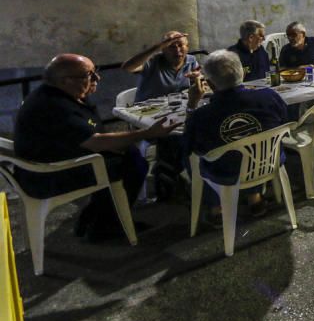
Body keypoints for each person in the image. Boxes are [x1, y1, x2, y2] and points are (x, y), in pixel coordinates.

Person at [14, 54, 177, 241]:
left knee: (130, 154)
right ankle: (105, 227)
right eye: (89, 75)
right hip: (46, 174)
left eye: (95, 72)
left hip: (60, 156)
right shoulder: (54, 106)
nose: (97, 79)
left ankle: (99, 218)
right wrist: (147, 133)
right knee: (131, 164)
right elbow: (96, 141)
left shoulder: (66, 94)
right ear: (66, 80)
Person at [183, 50, 288, 226]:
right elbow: (285, 122)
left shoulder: (202, 115)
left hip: (228, 173)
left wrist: (191, 106)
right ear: (243, 73)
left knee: (192, 158)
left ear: (209, 84)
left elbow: (188, 145)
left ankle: (217, 208)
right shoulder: (269, 96)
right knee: (253, 144)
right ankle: (255, 198)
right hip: (269, 163)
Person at [122, 30, 200, 102]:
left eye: (180, 45)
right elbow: (127, 67)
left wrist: (198, 79)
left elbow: (197, 82)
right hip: (147, 109)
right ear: (163, 50)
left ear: (187, 47)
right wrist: (157, 47)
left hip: (175, 107)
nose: (177, 50)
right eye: (171, 46)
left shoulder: (191, 60)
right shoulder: (152, 61)